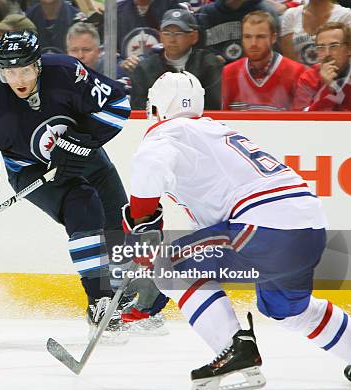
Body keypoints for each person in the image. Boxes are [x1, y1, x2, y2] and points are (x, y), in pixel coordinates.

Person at [125, 70, 351, 389]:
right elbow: (210, 241)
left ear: (158, 107)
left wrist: (141, 227)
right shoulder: (215, 132)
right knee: (288, 310)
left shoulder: (167, 132)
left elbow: (147, 176)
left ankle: (234, 350)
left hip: (265, 226)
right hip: (307, 226)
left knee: (170, 264)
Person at [0, 30, 136, 338]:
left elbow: (118, 103)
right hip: (32, 172)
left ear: (39, 65)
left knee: (121, 224)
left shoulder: (67, 73)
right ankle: (99, 300)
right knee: (84, 206)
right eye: (9, 71)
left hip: (87, 156)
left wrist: (78, 142)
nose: (18, 79)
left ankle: (128, 301)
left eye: (25, 70)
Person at [130, 9, 222, 110]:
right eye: (167, 33)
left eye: (178, 33)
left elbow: (213, 107)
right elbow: (138, 110)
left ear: (194, 37)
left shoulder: (209, 65)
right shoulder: (144, 69)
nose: (172, 39)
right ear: (160, 36)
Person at [221, 10, 305, 110]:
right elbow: (224, 119)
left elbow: (301, 121)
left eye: (260, 37)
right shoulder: (228, 72)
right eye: (247, 37)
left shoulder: (297, 72)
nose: (253, 43)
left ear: (273, 38)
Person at [196, 0, 280, 64]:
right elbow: (200, 48)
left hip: (254, 69)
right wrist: (211, 57)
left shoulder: (266, 12)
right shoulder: (207, 12)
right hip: (216, 72)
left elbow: (273, 52)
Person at [292, 22, 351, 111]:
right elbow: (301, 119)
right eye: (321, 47)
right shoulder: (309, 78)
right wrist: (328, 89)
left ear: (349, 49)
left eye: (334, 46)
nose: (327, 53)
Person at [280, 0, 351, 66]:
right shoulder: (291, 15)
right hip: (300, 77)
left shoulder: (346, 15)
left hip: (334, 74)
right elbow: (289, 60)